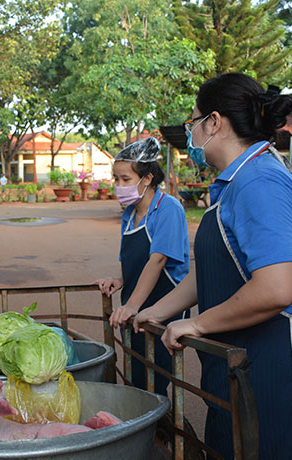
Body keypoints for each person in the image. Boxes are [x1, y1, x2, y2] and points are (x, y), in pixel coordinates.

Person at [134, 73, 292, 460]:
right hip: (252, 355)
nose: (191, 135)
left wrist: (196, 324)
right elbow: (213, 271)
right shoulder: (235, 182)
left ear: (214, 122)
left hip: (288, 363)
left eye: (193, 122)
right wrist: (153, 312)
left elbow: (276, 289)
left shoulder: (258, 182)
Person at [94, 137, 190, 396]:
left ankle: (163, 432)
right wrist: (121, 279)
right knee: (138, 375)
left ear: (146, 179)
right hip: (135, 310)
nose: (118, 186)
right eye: (116, 179)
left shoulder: (168, 209)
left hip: (164, 309)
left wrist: (131, 306)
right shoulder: (129, 213)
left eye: (125, 179)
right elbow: (134, 258)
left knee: (156, 379)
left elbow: (157, 260)